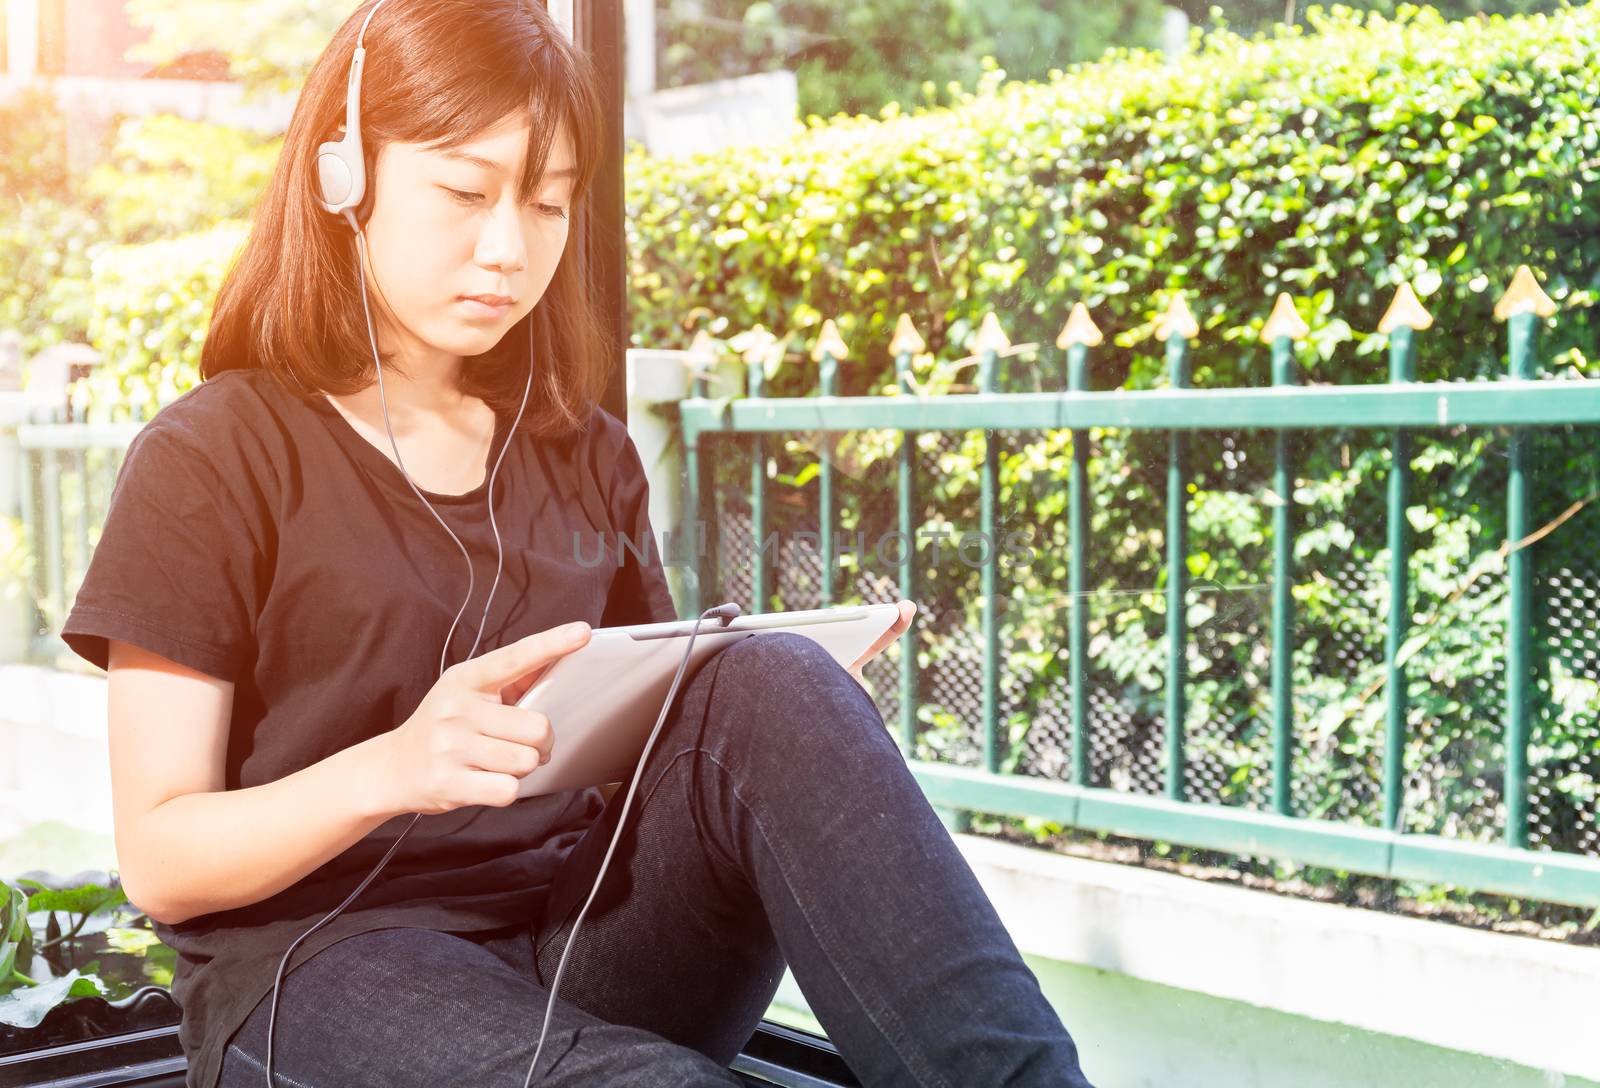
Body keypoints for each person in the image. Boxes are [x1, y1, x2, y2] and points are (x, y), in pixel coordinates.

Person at [59, 1, 1096, 1086]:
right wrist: (396, 766)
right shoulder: (214, 454)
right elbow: (162, 858)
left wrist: (793, 725)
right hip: (313, 967)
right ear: (343, 180)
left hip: (574, 943)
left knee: (771, 678)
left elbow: (655, 750)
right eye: (463, 191)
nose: (509, 248)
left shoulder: (584, 453)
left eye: (548, 205)